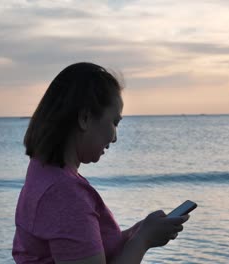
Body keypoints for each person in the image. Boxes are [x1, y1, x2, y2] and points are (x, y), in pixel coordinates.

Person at [12, 62, 190, 264]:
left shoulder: (43, 171)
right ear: (85, 118)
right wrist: (143, 241)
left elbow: (83, 248)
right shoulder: (65, 193)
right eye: (114, 122)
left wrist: (135, 233)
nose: (114, 137)